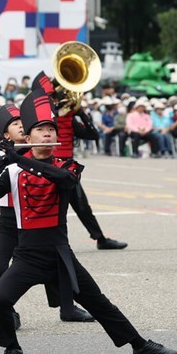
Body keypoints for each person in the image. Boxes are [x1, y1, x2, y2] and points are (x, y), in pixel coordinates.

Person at [0, 89, 177, 354]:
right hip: (27, 255)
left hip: (59, 254)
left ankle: (139, 344)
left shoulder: (67, 165)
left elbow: (63, 180)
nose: (48, 134)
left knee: (99, 303)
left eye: (51, 129)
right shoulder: (13, 172)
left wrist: (19, 158)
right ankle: (12, 350)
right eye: (40, 130)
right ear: (27, 138)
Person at [0, 104, 94, 324]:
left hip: (38, 218)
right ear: (6, 134)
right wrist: (13, 153)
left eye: (25, 124)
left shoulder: (36, 152)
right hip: (9, 220)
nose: (22, 128)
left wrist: (25, 153)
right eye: (16, 125)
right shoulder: (0, 151)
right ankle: (8, 311)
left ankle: (67, 307)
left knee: (55, 264)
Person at [33, 72, 127, 250]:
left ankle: (100, 238)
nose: (55, 98)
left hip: (67, 167)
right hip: (47, 165)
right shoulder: (41, 119)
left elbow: (92, 135)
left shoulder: (68, 118)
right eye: (51, 96)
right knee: (45, 206)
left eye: (55, 95)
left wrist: (81, 112)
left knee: (81, 205)